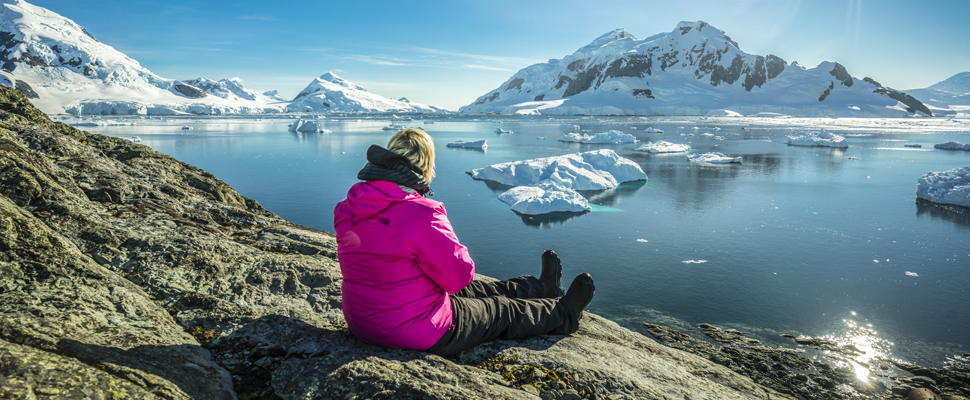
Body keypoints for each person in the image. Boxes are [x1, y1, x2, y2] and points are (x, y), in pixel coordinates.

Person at [333, 128, 595, 357]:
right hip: (413, 329)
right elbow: (459, 278)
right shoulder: (420, 213)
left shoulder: (346, 208)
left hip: (363, 321)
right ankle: (566, 314)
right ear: (424, 166)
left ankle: (541, 287)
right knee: (499, 310)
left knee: (478, 291)